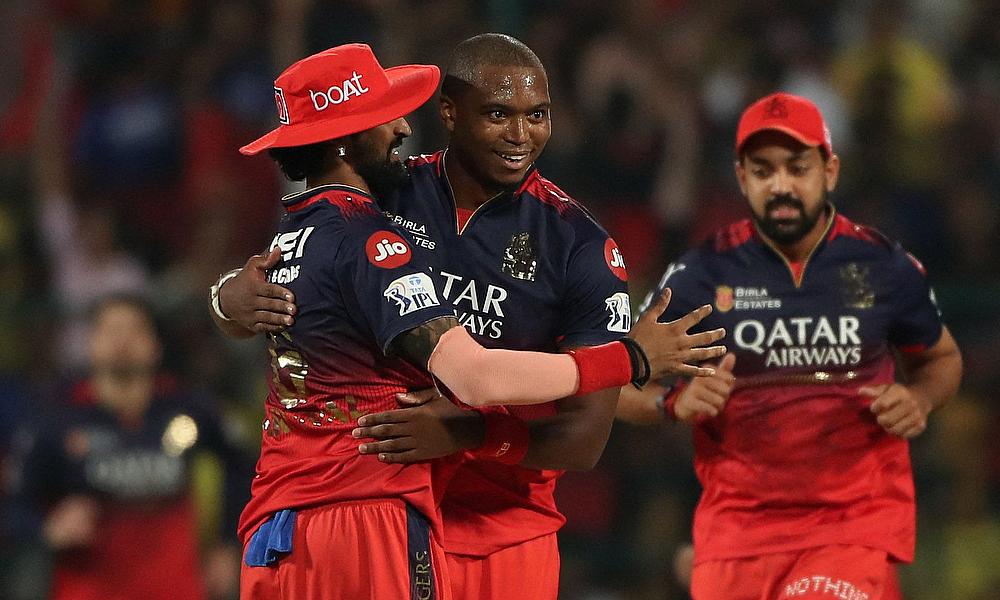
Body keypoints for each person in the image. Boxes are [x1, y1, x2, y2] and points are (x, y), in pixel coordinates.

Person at [215, 34, 727, 600]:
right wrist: (226, 299)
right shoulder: (383, 193)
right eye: (499, 114)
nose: (521, 134)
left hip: (501, 535)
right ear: (449, 113)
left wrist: (466, 434)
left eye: (538, 115)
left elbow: (583, 438)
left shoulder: (578, 246)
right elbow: (287, 296)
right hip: (382, 508)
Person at [617, 92, 963, 599]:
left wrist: (920, 398)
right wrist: (672, 403)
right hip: (736, 534)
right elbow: (613, 381)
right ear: (742, 178)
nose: (781, 185)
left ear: (830, 171)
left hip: (851, 525)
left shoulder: (882, 266)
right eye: (763, 171)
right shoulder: (700, 276)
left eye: (797, 168)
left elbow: (941, 358)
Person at [6, 295, 250, 600]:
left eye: (134, 330)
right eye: (111, 330)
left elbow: (243, 467)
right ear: (91, 343)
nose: (122, 341)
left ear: (155, 344)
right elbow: (14, 505)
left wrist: (229, 542)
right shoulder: (57, 419)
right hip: (89, 591)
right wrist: (48, 525)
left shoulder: (190, 408)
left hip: (175, 590)